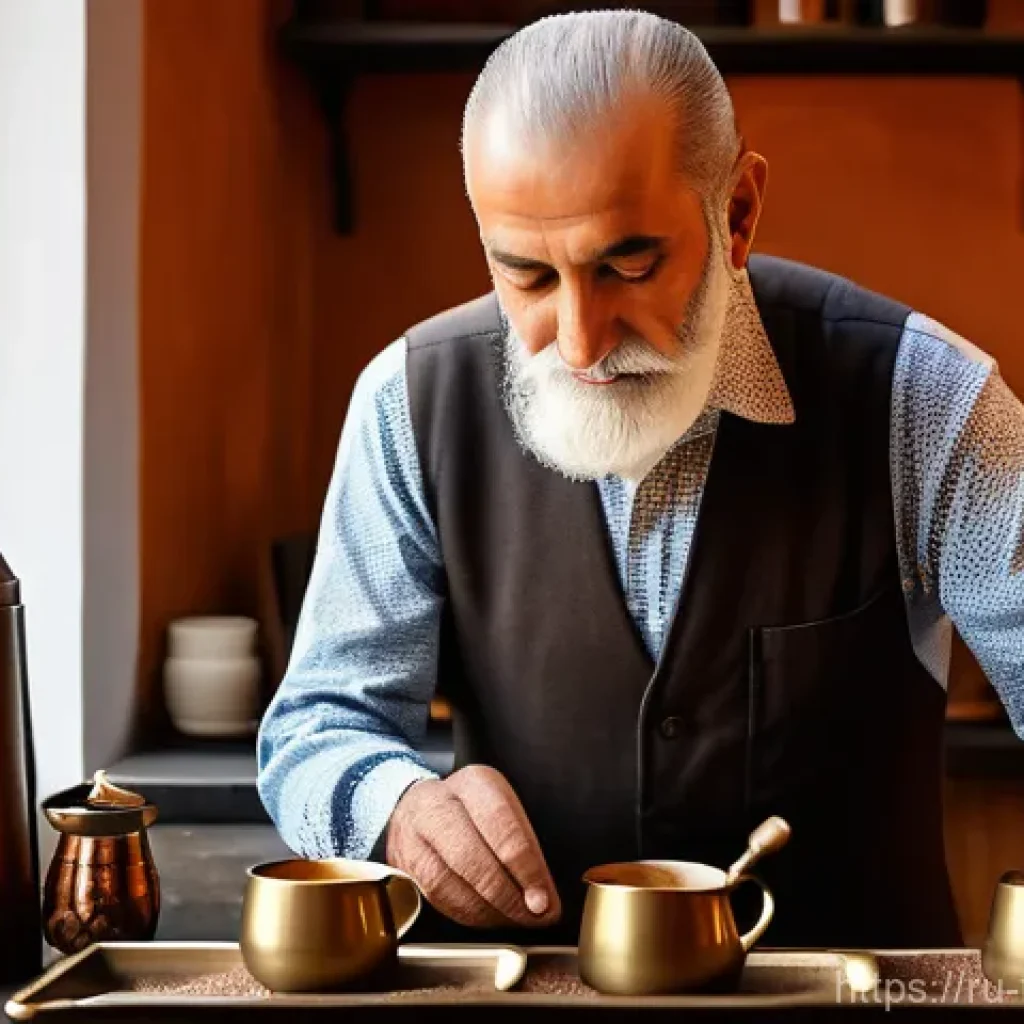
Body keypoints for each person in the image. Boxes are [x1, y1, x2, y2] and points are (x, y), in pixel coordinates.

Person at [257, 10, 1024, 948]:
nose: (579, 341)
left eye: (628, 264)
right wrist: (399, 806)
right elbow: (319, 727)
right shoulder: (405, 403)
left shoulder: (925, 399)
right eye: (527, 277)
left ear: (736, 213)